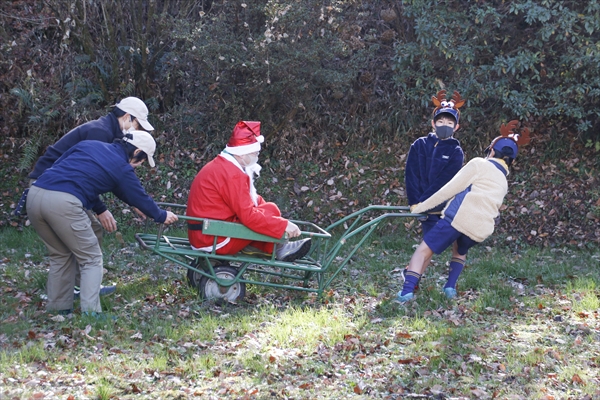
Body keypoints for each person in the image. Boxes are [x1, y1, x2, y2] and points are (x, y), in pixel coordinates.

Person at [26, 131, 178, 316]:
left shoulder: (90, 145)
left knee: (61, 255)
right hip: (63, 204)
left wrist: (104, 208)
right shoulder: (121, 167)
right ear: (136, 151)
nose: (139, 165)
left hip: (35, 196)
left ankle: (58, 309)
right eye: (142, 160)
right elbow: (138, 195)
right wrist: (161, 215)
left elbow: (65, 171)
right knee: (91, 258)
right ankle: (92, 314)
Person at [25, 97, 155, 297]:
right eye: (137, 124)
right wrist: (101, 209)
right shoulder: (100, 133)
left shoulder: (108, 131)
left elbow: (95, 175)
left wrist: (132, 202)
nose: (137, 130)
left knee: (89, 232)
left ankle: (77, 287)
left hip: (54, 186)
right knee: (84, 242)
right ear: (128, 117)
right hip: (50, 184)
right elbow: (83, 174)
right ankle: (81, 288)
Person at [397, 121, 530, 303]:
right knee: (459, 249)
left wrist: (420, 207)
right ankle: (450, 287)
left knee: (423, 251)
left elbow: (449, 189)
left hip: (457, 219)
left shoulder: (479, 164)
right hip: (480, 230)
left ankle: (405, 293)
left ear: (491, 151)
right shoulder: (503, 181)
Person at [187, 121, 311, 261]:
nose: (257, 156)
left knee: (269, 209)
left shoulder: (223, 165)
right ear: (241, 154)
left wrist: (267, 212)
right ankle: (277, 248)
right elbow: (249, 216)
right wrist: (283, 225)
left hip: (204, 233)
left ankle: (275, 247)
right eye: (255, 153)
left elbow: (248, 200)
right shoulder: (232, 174)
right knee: (269, 212)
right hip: (213, 239)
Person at [403, 90, 466, 290]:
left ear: (456, 127)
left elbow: (444, 182)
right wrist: (415, 203)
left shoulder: (456, 152)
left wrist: (427, 203)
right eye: (441, 122)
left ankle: (429, 282)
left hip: (442, 209)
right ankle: (412, 281)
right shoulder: (419, 145)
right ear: (433, 123)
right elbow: (411, 174)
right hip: (421, 206)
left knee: (439, 246)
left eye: (449, 123)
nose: (444, 126)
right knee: (427, 246)